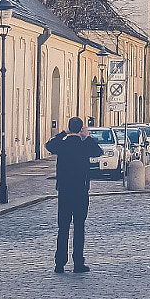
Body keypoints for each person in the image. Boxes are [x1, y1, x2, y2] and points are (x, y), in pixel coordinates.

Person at [44, 117, 103, 273]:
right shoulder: (84, 146)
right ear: (81, 129)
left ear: (70, 129)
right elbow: (98, 151)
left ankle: (59, 263)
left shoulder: (62, 145)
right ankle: (78, 263)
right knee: (79, 227)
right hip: (80, 191)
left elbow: (48, 145)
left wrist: (63, 133)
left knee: (63, 228)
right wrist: (88, 136)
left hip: (64, 191)